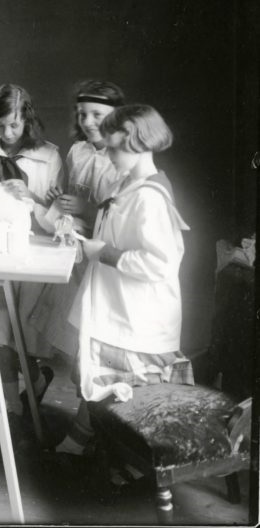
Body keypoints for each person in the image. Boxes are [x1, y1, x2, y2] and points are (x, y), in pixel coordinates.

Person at [55, 104, 191, 456]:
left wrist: (104, 253)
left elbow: (160, 263)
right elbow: (110, 233)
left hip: (136, 315)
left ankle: (127, 463)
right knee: (98, 384)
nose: (107, 153)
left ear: (138, 144)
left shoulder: (150, 198)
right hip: (112, 305)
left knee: (127, 396)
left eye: (114, 148)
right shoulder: (126, 183)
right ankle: (90, 443)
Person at [0, 83, 63, 448]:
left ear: (28, 122)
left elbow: (57, 221)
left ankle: (36, 381)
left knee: (24, 335)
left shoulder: (49, 157)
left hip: (32, 255)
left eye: (15, 126)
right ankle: (11, 410)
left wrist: (33, 200)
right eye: (1, 125)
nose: (7, 134)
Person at [36, 80, 125, 358]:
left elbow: (120, 218)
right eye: (82, 114)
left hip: (103, 257)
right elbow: (73, 196)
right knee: (72, 331)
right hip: (75, 252)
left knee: (95, 333)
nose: (87, 121)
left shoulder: (122, 158)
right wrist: (59, 198)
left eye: (97, 115)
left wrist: (86, 208)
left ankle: (90, 397)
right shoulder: (79, 151)